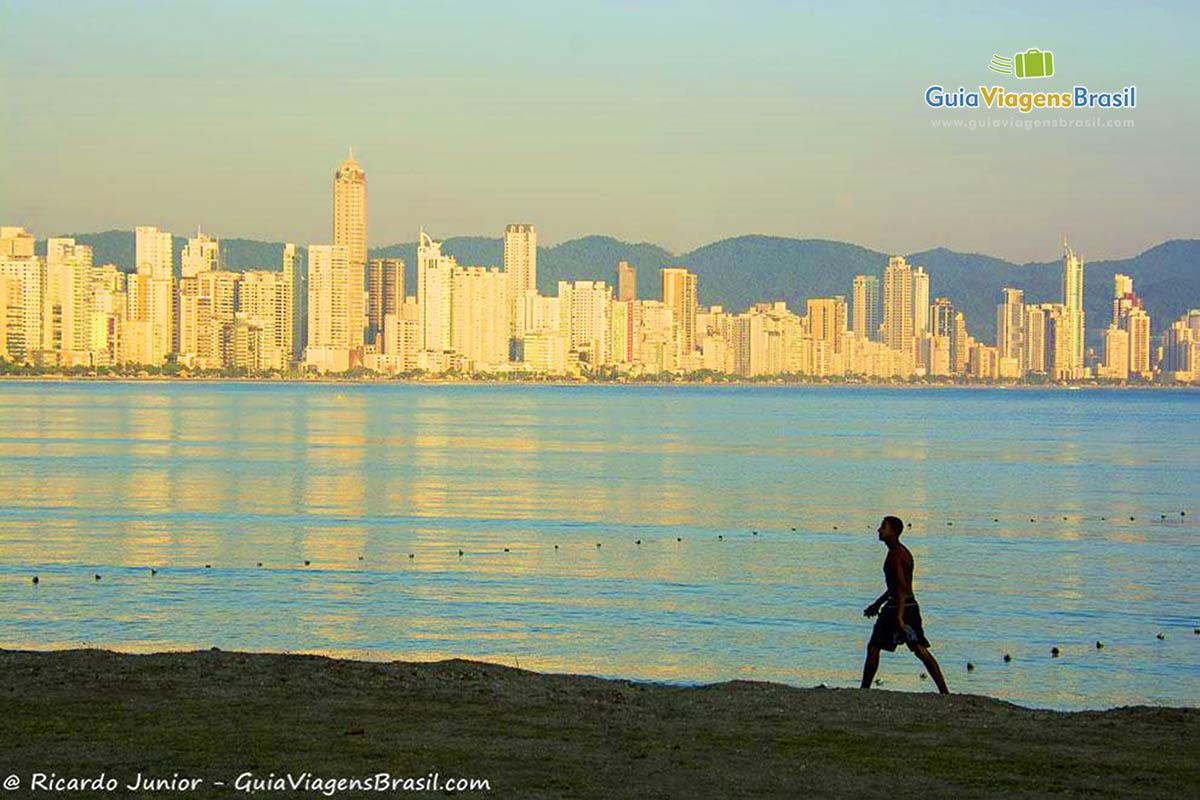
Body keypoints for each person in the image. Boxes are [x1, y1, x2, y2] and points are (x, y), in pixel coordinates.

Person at [860, 515, 949, 694]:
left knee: (874, 646)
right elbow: (895, 587)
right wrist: (876, 605)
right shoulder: (899, 552)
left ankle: (864, 690)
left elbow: (901, 588)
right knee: (918, 648)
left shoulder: (896, 555)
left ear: (893, 532)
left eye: (883, 527)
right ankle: (944, 691)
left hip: (899, 607)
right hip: (907, 605)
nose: (879, 530)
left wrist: (899, 617)